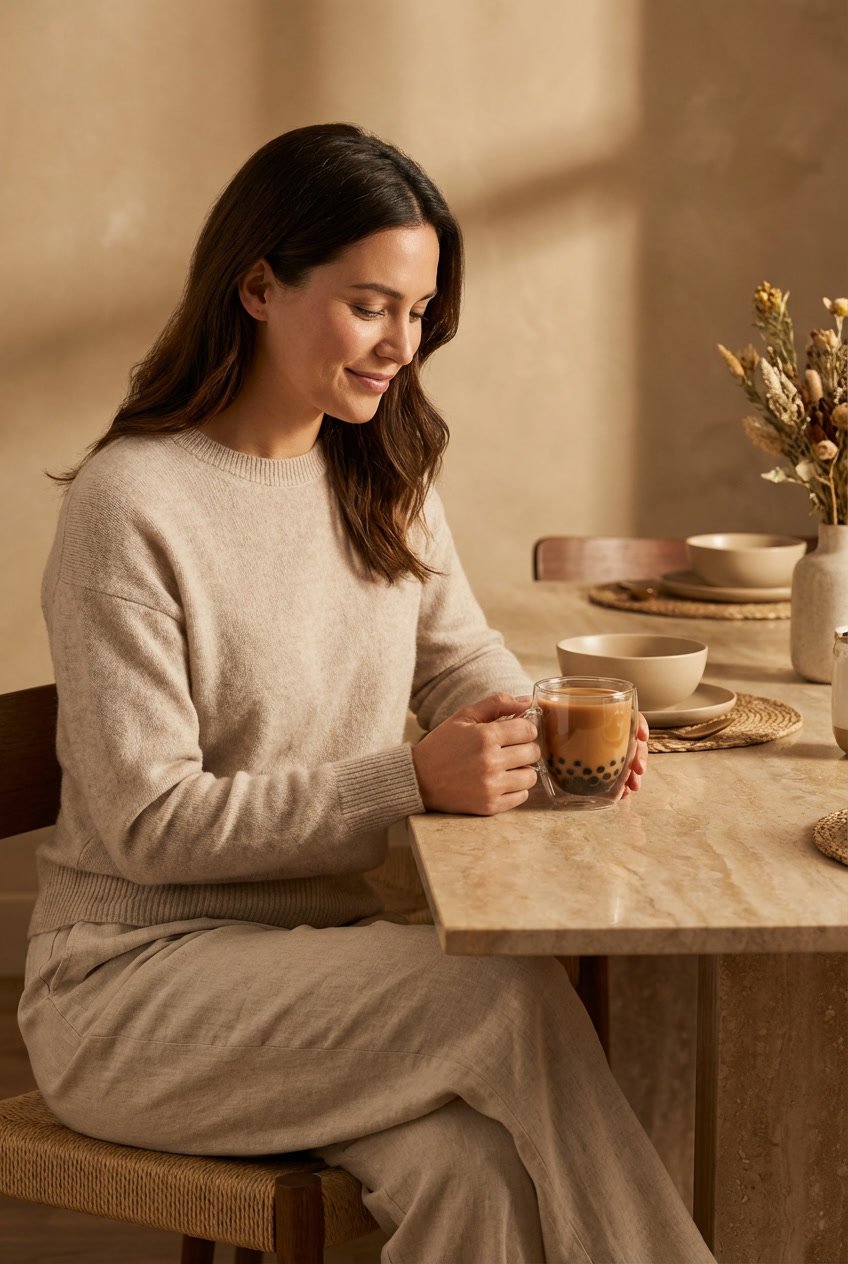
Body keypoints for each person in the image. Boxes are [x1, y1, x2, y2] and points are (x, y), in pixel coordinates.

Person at [18, 123, 714, 1264]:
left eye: (419, 312)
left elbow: (458, 656)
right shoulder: (128, 505)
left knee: (477, 1178)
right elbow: (148, 824)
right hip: (131, 995)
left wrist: (543, 726)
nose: (401, 343)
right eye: (369, 305)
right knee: (503, 998)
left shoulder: (376, 468)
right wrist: (409, 780)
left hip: (319, 967)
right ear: (256, 285)